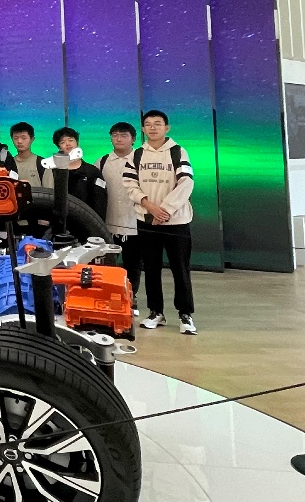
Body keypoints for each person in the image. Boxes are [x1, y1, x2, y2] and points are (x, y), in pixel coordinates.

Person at [123, 110, 197, 335]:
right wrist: (150, 206)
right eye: (148, 124)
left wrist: (165, 210)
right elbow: (130, 184)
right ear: (143, 129)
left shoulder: (178, 151)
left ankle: (185, 314)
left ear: (167, 127)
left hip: (177, 221)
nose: (153, 128)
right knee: (151, 268)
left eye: (158, 123)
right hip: (147, 220)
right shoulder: (137, 154)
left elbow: (186, 182)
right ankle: (156, 312)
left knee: (180, 268)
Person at [98, 121, 141, 314]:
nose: (119, 139)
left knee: (133, 264)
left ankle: (131, 297)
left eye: (124, 135)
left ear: (133, 139)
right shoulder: (102, 162)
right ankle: (109, 296)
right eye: (115, 135)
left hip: (134, 223)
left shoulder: (141, 159)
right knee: (108, 264)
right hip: (108, 223)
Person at [48, 127, 108, 216]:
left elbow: (100, 201)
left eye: (70, 140)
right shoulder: (53, 171)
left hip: (86, 220)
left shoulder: (92, 171)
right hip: (60, 219)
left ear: (77, 143)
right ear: (59, 147)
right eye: (62, 142)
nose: (67, 144)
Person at [10, 122, 46, 188]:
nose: (19, 141)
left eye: (24, 138)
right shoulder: (8, 164)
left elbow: (49, 192)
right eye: (16, 138)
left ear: (32, 139)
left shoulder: (43, 164)